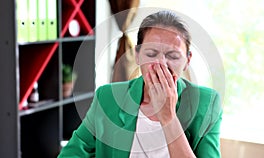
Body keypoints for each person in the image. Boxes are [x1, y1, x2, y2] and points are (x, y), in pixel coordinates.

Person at [58, 10, 222, 158]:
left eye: (172, 56)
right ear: (137, 56)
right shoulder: (107, 97)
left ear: (187, 61)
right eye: (151, 53)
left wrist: (168, 116)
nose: (161, 64)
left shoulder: (207, 103)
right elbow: (72, 153)